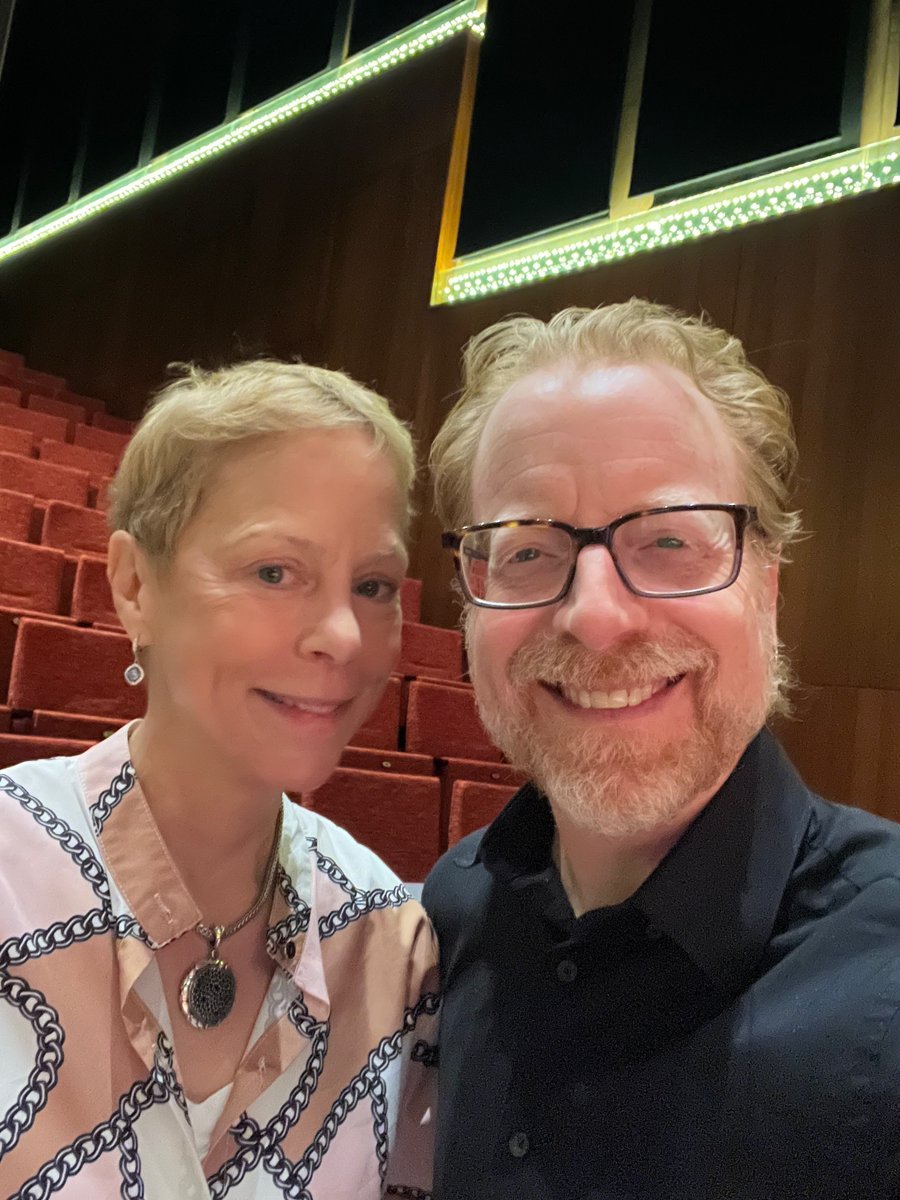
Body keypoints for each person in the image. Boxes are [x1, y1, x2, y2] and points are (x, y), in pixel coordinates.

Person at [422, 298, 900, 1200]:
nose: (595, 617)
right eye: (526, 552)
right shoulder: (447, 917)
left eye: (671, 540)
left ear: (768, 590)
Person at [0, 360, 437, 1198]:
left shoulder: (395, 947)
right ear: (134, 585)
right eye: (274, 571)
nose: (344, 636)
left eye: (373, 586)